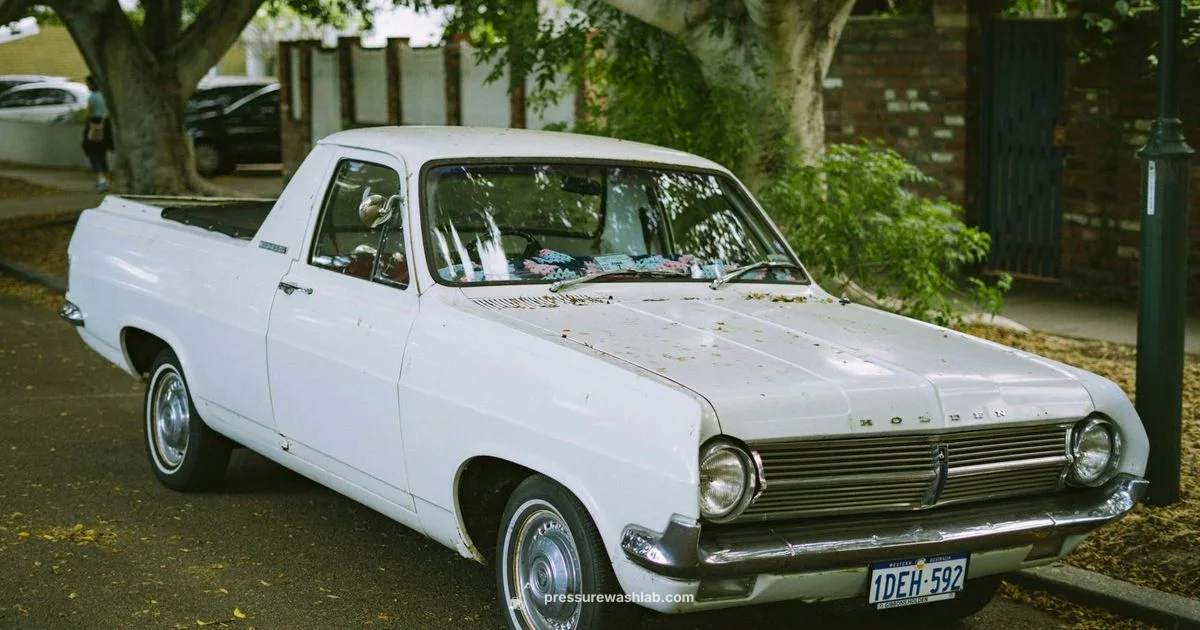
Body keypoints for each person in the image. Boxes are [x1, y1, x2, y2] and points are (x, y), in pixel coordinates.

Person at [81, 76, 113, 192]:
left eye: (88, 84)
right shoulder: (104, 96)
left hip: (94, 126)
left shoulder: (93, 97)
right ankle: (106, 178)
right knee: (102, 153)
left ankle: (101, 179)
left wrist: (85, 120)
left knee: (93, 152)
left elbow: (88, 114)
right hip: (105, 126)